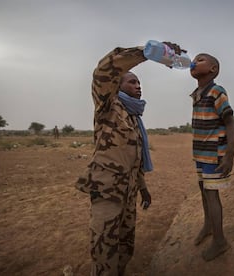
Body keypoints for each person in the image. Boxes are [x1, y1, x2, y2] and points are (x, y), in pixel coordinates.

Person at [75, 42, 184, 276]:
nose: (138, 86)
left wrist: (142, 187)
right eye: (132, 81)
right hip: (107, 191)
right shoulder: (108, 106)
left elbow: (134, 158)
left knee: (125, 245)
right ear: (117, 85)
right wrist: (150, 52)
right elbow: (104, 70)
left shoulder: (133, 117)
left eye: (139, 82)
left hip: (129, 191)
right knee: (104, 248)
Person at [189, 53, 234, 261]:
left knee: (212, 195)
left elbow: (230, 123)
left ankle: (220, 241)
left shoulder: (217, 91)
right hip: (200, 153)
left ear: (213, 69)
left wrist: (230, 155)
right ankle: (208, 225)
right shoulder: (197, 93)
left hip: (214, 154)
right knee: (202, 189)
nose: (194, 62)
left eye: (200, 59)